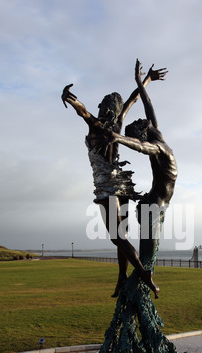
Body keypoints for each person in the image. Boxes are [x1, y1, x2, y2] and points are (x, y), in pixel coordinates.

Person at [62, 64, 167, 298]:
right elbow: (132, 99)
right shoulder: (117, 125)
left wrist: (70, 99)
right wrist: (147, 79)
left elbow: (83, 111)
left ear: (103, 108)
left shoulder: (97, 126)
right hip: (122, 185)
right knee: (123, 235)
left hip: (107, 188)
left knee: (117, 236)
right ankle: (121, 276)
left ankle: (143, 272)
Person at [109, 59, 178, 265]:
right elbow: (141, 146)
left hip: (156, 204)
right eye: (139, 123)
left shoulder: (157, 135)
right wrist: (119, 138)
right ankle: (134, 293)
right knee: (146, 262)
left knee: (149, 260)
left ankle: (136, 288)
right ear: (143, 133)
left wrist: (143, 80)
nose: (142, 119)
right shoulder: (158, 147)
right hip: (154, 207)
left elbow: (148, 105)